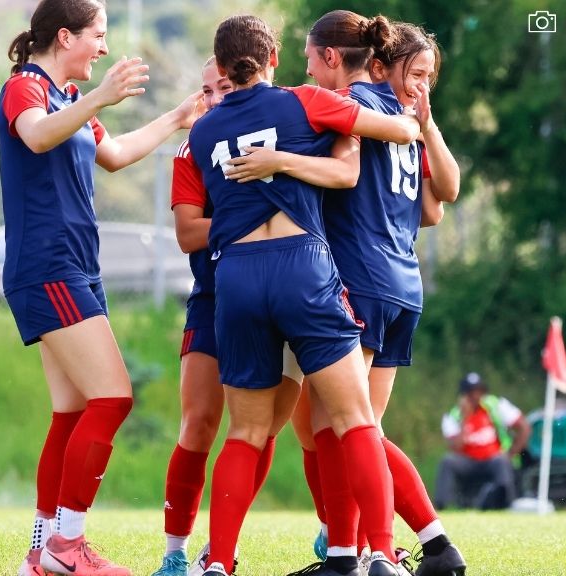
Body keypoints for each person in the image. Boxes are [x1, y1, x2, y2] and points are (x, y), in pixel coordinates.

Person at [227, 15, 465, 576]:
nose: (422, 85)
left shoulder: (353, 110)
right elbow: (435, 206)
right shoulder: (400, 116)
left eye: (428, 75)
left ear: (348, 60)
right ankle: (381, 547)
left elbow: (345, 174)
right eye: (420, 73)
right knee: (343, 425)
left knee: (349, 427)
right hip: (403, 284)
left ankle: (369, 552)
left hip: (359, 280)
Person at [0, 2, 201, 575]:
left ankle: (40, 552)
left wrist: (178, 117)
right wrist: (99, 98)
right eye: (98, 35)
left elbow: (113, 155)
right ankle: (68, 545)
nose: (105, 48)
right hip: (49, 268)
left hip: (75, 268)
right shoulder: (27, 88)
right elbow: (35, 138)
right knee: (113, 399)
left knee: (71, 413)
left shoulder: (67, 100)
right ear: (65, 37)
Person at [151, 57, 356, 576]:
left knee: (278, 427)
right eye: (205, 90)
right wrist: (247, 214)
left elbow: (344, 166)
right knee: (199, 423)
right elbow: (186, 233)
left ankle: (334, 538)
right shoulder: (197, 144)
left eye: (222, 86)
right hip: (218, 293)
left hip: (285, 285)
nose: (215, 98)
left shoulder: (285, 119)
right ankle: (175, 553)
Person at [437, 372, 531, 510]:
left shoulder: (496, 405)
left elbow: (524, 427)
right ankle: (441, 506)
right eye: (470, 393)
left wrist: (511, 453)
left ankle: (508, 503)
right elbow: (456, 447)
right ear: (463, 395)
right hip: (468, 462)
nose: (475, 396)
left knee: (501, 461)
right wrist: (465, 418)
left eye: (479, 391)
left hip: (493, 459)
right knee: (447, 461)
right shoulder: (453, 415)